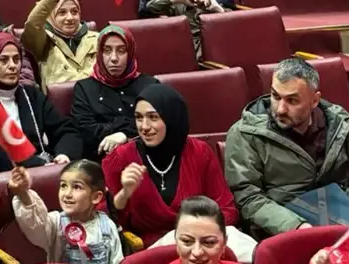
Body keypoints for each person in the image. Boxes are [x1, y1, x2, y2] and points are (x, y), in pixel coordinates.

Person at [223, 57, 349, 235]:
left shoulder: (339, 125)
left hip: (344, 221)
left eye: (292, 101)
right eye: (276, 96)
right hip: (280, 229)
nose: (280, 109)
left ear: (315, 100)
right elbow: (247, 197)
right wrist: (297, 227)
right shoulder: (246, 134)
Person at [104, 85, 251, 255]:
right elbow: (104, 224)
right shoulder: (121, 157)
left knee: (245, 247)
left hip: (201, 239)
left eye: (153, 117)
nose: (144, 126)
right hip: (153, 250)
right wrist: (124, 194)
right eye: (138, 117)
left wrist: (200, 233)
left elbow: (227, 209)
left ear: (172, 117)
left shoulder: (200, 152)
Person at [0, 33, 83, 180]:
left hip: (45, 171)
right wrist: (41, 165)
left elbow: (65, 129)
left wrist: (64, 155)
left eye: (16, 59)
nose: (12, 66)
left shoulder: (31, 94)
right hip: (6, 179)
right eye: (3, 60)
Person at [11, 160, 124, 263]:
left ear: (96, 197)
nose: (67, 194)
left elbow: (117, 259)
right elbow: (36, 227)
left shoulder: (106, 225)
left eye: (77, 187)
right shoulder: (56, 222)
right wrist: (23, 194)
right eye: (63, 185)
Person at [72, 26, 158, 159]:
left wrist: (124, 135)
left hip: (147, 156)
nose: (114, 58)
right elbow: (86, 132)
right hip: (101, 159)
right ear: (99, 54)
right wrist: (130, 125)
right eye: (107, 51)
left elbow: (160, 122)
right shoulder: (84, 89)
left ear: (130, 53)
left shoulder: (150, 85)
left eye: (121, 50)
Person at [22, 0, 101, 85]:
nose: (70, 18)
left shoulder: (98, 39)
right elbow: (32, 24)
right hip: (59, 95)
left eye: (74, 12)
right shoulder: (43, 42)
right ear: (51, 16)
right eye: (62, 12)